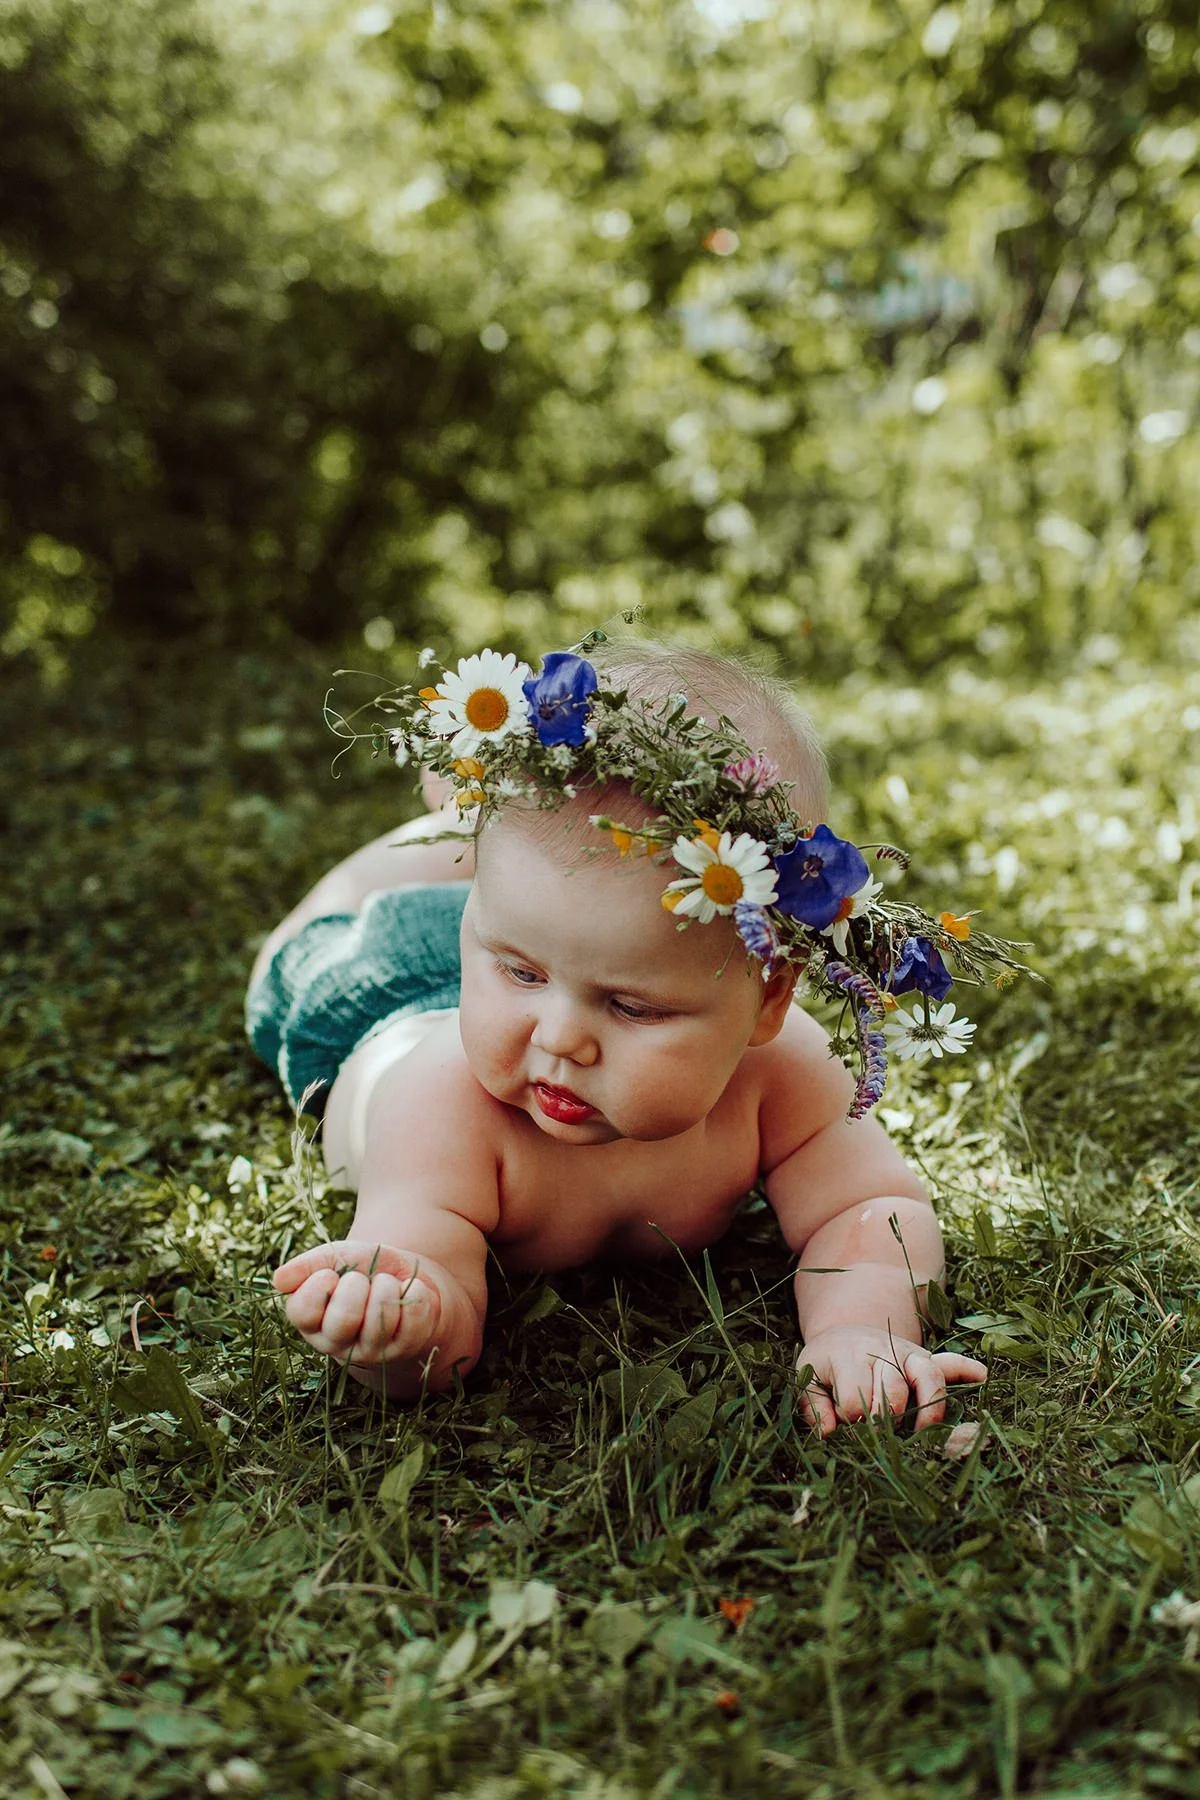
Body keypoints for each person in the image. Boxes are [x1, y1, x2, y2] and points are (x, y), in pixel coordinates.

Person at [248, 638, 1005, 1433]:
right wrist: (404, 1320)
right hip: (390, 989)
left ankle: (482, 868)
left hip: (506, 934)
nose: (563, 1040)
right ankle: (458, 833)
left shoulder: (780, 1076)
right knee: (298, 951)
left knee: (544, 927)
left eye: (633, 1007)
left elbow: (874, 1202)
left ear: (769, 997)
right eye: (522, 973)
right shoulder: (439, 1107)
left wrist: (862, 1326)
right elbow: (433, 1314)